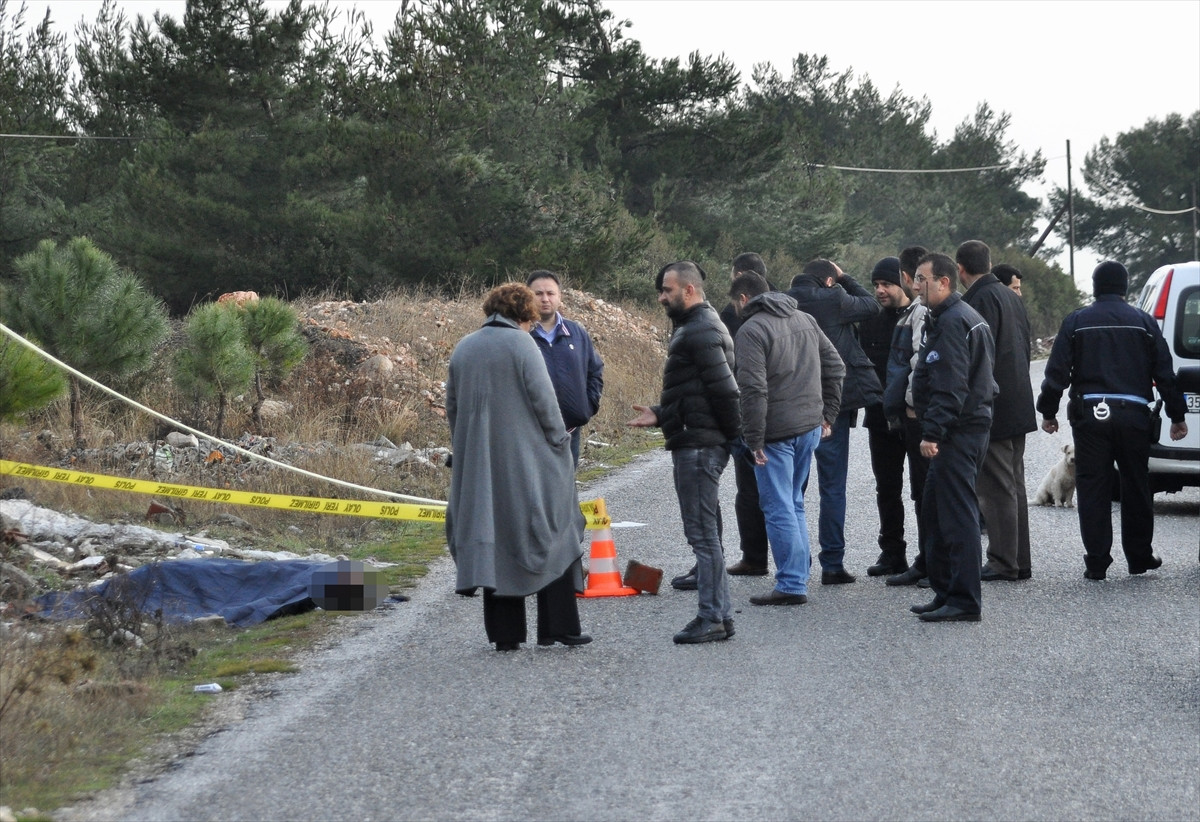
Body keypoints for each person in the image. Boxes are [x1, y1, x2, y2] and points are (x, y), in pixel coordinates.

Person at [445, 283, 591, 651]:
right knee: (554, 532)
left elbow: (453, 408)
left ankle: (505, 635)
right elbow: (545, 403)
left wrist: (468, 449)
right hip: (527, 461)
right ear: (525, 314)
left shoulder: (464, 347)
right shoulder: (523, 344)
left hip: (480, 464)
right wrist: (559, 442)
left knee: (496, 538)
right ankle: (558, 626)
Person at [1036, 260, 1189, 580]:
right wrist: (1177, 416)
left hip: (1091, 417)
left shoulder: (1077, 321)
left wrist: (1048, 411)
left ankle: (1097, 561)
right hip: (1133, 416)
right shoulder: (1143, 322)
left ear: (1094, 288)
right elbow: (1164, 372)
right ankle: (1139, 557)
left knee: (1093, 487)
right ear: (1125, 288)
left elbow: (1057, 371)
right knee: (1136, 485)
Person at [628, 261, 742, 644]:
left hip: (699, 446)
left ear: (688, 290)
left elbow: (726, 391)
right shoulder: (698, 327)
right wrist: (661, 413)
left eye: (667, 290)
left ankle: (711, 617)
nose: (662, 297)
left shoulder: (701, 330)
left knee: (703, 537)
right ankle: (721, 616)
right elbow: (699, 391)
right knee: (706, 535)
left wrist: (732, 438)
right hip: (698, 440)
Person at [728, 272, 844, 605]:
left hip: (776, 433)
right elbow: (836, 366)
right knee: (793, 502)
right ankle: (798, 573)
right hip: (809, 427)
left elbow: (752, 389)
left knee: (778, 506)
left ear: (744, 299)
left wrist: (754, 439)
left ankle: (792, 583)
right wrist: (828, 413)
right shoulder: (805, 319)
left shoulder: (752, 330)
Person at [909, 253, 996, 622]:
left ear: (943, 282)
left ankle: (964, 600)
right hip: (959, 429)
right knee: (934, 512)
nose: (915, 286)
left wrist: (933, 432)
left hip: (958, 433)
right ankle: (944, 590)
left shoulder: (955, 321)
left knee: (958, 517)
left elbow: (952, 385)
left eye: (921, 279)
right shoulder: (947, 318)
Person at [787, 259, 882, 584]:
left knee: (793, 489)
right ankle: (832, 564)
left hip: (792, 406)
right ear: (828, 280)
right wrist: (845, 277)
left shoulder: (784, 301)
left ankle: (796, 565)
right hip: (832, 404)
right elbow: (871, 305)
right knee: (832, 486)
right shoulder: (835, 298)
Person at [956, 241, 1037, 582]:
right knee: (1014, 484)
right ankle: (1019, 559)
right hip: (1018, 400)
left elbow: (978, 358)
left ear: (960, 269)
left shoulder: (978, 300)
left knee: (997, 486)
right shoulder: (1010, 296)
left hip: (995, 405)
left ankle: (1004, 561)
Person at [859, 256, 922, 577]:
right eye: (876, 285)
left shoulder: (919, 318)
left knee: (922, 489)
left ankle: (928, 557)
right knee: (887, 488)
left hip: (913, 418)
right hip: (879, 418)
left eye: (886, 284)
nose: (880, 290)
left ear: (903, 284)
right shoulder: (870, 321)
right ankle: (892, 552)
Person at [882, 246, 933, 587]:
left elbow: (919, 359)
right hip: (922, 413)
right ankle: (926, 560)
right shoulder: (922, 310)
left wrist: (912, 403)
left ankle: (932, 562)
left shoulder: (922, 312)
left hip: (923, 414)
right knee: (922, 491)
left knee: (928, 492)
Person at [721, 252, 772, 579]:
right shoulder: (788, 307)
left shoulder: (733, 315)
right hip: (789, 413)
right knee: (787, 495)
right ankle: (796, 564)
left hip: (749, 409)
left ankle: (754, 557)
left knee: (750, 490)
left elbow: (728, 363)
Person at [526, 270, 605, 466]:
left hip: (570, 432)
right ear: (527, 296)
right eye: (538, 293)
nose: (545, 299)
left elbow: (594, 370)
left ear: (559, 296)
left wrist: (587, 406)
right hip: (530, 434)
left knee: (567, 484)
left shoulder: (576, 332)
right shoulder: (520, 334)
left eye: (550, 293)